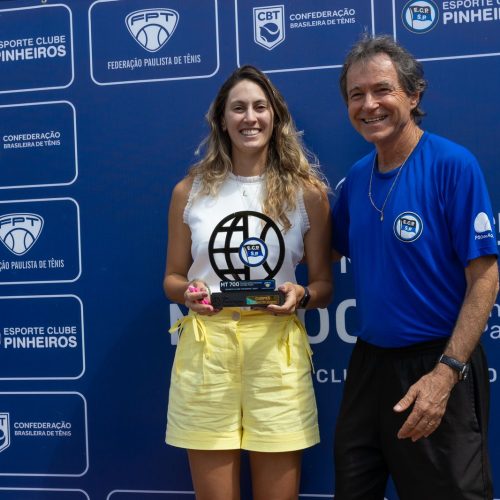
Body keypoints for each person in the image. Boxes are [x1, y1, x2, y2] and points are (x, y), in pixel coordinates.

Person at [331, 35, 499, 500]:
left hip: (437, 361)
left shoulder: (453, 165)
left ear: (413, 94)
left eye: (382, 90)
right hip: (369, 366)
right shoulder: (357, 178)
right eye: (356, 94)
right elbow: (321, 252)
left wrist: (446, 373)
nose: (369, 105)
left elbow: (485, 277)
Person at [163, 65, 332, 500]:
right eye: (238, 108)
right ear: (222, 119)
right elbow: (172, 278)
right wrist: (189, 293)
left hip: (276, 351)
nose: (250, 117)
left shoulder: (307, 194)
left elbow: (322, 285)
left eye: (260, 107)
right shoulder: (189, 191)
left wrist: (302, 295)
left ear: (275, 116)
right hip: (207, 349)